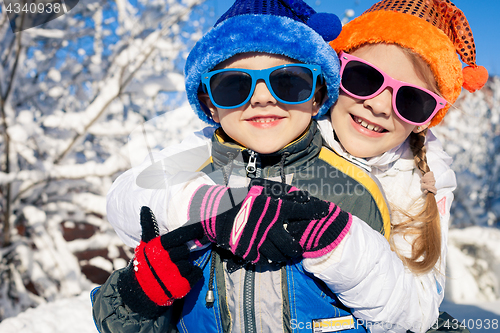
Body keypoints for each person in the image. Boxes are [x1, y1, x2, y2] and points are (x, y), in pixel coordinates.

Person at [92, 1, 391, 332]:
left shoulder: (356, 190)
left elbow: (387, 313)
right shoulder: (183, 178)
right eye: (233, 85)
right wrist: (139, 301)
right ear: (210, 104)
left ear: (318, 95)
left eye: (289, 82)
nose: (262, 98)